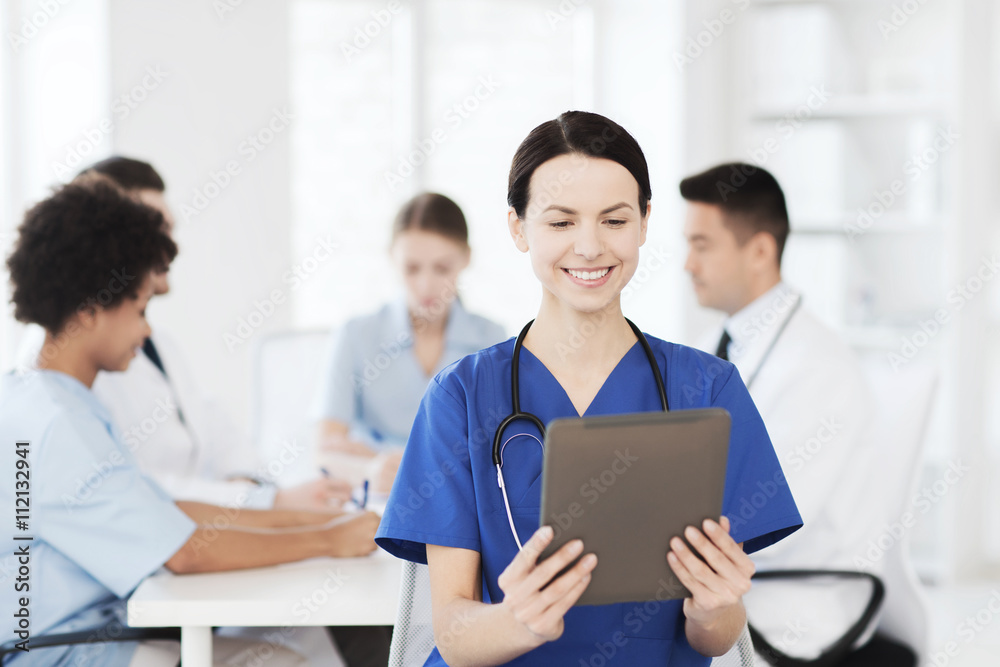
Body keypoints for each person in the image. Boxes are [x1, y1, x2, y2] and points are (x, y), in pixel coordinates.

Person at [375, 111, 802, 665]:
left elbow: (718, 636)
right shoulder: (460, 397)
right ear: (517, 228)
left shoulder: (708, 390)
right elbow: (453, 633)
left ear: (645, 223)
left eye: (615, 220)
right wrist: (517, 620)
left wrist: (712, 609)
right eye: (560, 222)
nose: (590, 246)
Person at [0, 177, 379, 666]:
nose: (147, 328)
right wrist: (328, 540)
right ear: (92, 311)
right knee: (287, 661)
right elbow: (186, 552)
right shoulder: (62, 428)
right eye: (139, 308)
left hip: (85, 633)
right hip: (57, 653)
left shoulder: (48, 402)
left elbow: (171, 511)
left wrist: (319, 519)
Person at [679, 162, 913, 665]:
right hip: (736, 582)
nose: (686, 264)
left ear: (760, 250)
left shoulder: (816, 366)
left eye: (701, 245)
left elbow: (765, 522)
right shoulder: (714, 345)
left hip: (797, 600)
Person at [71, 156, 350, 511]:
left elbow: (214, 426)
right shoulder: (71, 360)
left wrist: (251, 486)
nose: (173, 247)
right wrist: (262, 501)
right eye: (156, 230)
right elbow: (130, 486)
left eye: (170, 229)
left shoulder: (160, 344)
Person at [312, 192, 505, 493]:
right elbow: (325, 450)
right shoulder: (355, 335)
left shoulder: (492, 340)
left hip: (460, 500)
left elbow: (499, 450)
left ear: (466, 258)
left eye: (442, 268)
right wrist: (369, 469)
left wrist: (378, 454)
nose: (426, 286)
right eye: (412, 269)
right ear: (392, 257)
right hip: (376, 500)